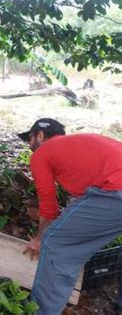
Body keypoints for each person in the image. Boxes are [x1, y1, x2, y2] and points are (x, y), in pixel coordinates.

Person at [18, 118, 122, 315]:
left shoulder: (43, 153)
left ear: (40, 135)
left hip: (115, 191)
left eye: (29, 139)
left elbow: (48, 203)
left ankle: (43, 312)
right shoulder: (79, 145)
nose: (29, 145)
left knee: (56, 244)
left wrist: (40, 238)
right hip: (115, 189)